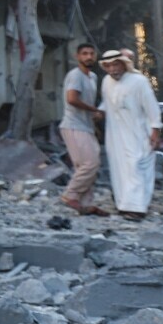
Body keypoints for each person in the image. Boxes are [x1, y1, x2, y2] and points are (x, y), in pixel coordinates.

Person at [100, 49, 161, 220]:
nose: (113, 69)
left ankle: (138, 208)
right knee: (119, 169)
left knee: (136, 166)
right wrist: (98, 112)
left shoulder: (139, 81)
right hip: (115, 134)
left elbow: (152, 107)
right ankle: (124, 204)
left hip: (138, 133)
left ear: (123, 64)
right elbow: (107, 103)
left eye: (116, 64)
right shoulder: (106, 82)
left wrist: (155, 131)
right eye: (108, 66)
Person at [59, 43, 106, 215]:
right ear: (77, 57)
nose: (89, 57)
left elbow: (86, 103)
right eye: (84, 54)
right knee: (90, 163)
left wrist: (94, 122)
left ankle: (85, 204)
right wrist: (95, 110)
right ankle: (69, 195)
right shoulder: (75, 75)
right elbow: (72, 99)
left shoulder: (92, 77)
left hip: (85, 126)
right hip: (73, 125)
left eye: (92, 53)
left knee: (86, 166)